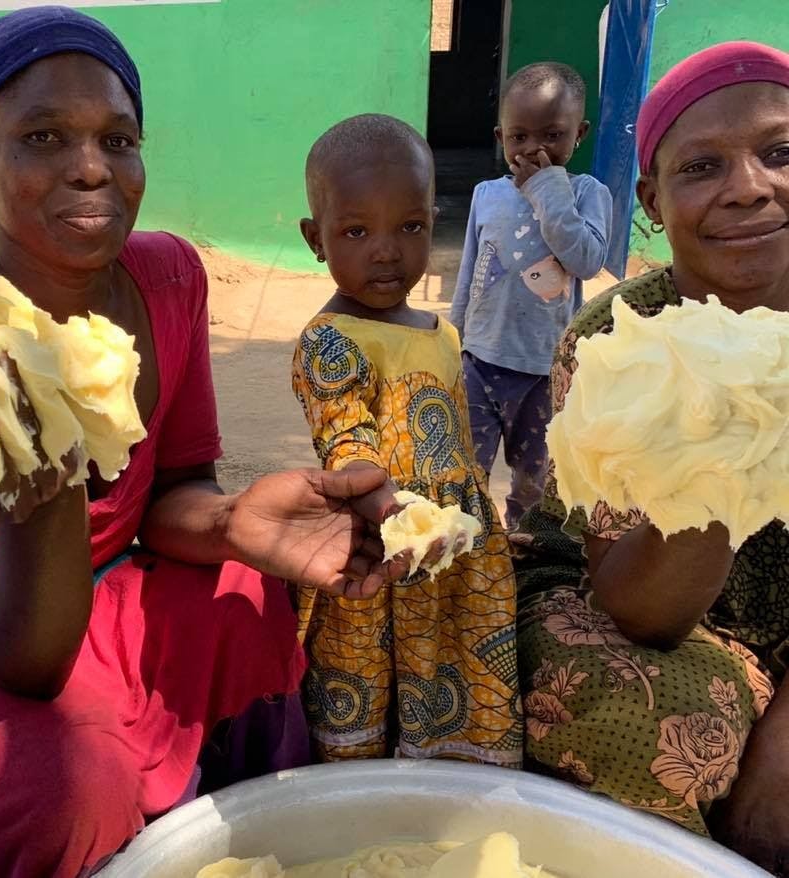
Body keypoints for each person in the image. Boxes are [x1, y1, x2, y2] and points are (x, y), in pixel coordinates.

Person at [0, 8, 398, 877]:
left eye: (118, 139)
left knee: (247, 596)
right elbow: (12, 655)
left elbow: (171, 488)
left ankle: (241, 850)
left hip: (87, 588)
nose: (92, 169)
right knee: (54, 784)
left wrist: (235, 522)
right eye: (44, 135)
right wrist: (46, 476)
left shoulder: (167, 276)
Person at [513, 42, 789, 876]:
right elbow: (643, 610)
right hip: (642, 606)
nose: (749, 185)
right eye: (703, 166)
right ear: (651, 201)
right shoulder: (617, 343)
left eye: (782, 153)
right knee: (637, 720)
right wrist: (722, 423)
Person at [291, 114, 522, 766]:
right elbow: (348, 440)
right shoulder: (329, 341)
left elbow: (458, 452)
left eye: (410, 227)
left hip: (456, 557)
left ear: (433, 219)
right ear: (316, 238)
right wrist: (386, 503)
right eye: (356, 231)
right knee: (364, 690)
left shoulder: (442, 334)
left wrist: (485, 522)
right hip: (374, 551)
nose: (386, 250)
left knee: (456, 680)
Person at [449, 63, 612, 529]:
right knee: (466, 472)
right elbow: (470, 272)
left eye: (552, 135)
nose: (533, 149)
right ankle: (471, 547)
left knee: (533, 480)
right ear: (501, 136)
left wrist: (547, 190)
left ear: (579, 133)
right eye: (518, 137)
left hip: (543, 372)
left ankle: (525, 552)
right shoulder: (486, 194)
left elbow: (586, 259)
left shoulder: (586, 193)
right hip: (479, 361)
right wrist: (454, 338)